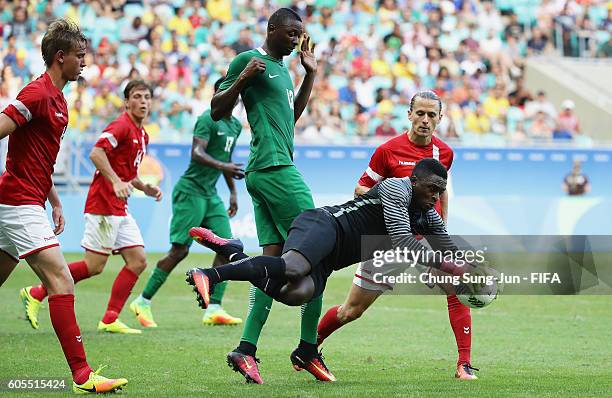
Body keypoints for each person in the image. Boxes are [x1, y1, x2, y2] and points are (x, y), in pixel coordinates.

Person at [187, 160, 488, 372]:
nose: (436, 196)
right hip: (324, 225)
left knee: (294, 294)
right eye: (432, 188)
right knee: (291, 268)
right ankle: (211, 275)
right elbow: (403, 243)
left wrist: (475, 269)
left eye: (441, 191)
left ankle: (234, 253)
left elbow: (450, 250)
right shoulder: (398, 188)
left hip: (331, 259)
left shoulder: (429, 215)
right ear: (415, 181)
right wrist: (451, 268)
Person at [0, 19, 127, 393]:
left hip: (27, 200)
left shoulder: (58, 101)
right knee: (61, 279)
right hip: (17, 202)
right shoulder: (37, 94)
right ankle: (83, 376)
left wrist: (53, 200)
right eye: (79, 56)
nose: (84, 62)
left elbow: (39, 158)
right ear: (60, 57)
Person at [318, 90, 478, 380]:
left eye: (432, 115)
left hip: (424, 238)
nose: (425, 120)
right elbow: (361, 190)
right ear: (409, 114)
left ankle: (463, 364)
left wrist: (441, 235)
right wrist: (397, 212)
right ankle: (310, 347)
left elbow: (439, 195)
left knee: (455, 285)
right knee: (351, 311)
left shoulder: (444, 153)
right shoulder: (387, 150)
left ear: (440, 119)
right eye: (420, 113)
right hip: (388, 241)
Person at [210, 7, 328, 384]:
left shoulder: (284, 70)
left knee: (272, 262)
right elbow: (217, 110)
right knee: (320, 248)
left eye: (300, 35)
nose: (296, 40)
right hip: (275, 169)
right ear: (272, 29)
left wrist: (309, 75)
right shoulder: (250, 60)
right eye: (291, 33)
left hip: (267, 170)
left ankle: (245, 350)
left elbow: (289, 118)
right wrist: (242, 78)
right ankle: (308, 349)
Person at [20, 80, 162, 335]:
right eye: (137, 96)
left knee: (138, 260)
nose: (143, 101)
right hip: (103, 205)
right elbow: (97, 153)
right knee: (94, 266)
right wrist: (116, 181)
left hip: (119, 205)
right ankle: (37, 292)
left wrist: (145, 187)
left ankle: (109, 318)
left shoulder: (143, 134)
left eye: (147, 97)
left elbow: (128, 172)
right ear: (126, 102)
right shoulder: (120, 126)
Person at [130, 77, 244, 327]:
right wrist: (225, 166)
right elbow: (197, 153)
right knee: (179, 251)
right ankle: (143, 301)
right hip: (190, 191)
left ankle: (213, 308)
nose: (235, 96)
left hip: (211, 193)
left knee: (228, 248)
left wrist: (233, 192)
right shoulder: (207, 119)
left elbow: (226, 159)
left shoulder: (235, 126)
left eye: (237, 91)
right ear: (218, 94)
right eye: (230, 91)